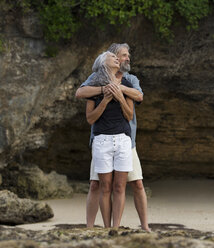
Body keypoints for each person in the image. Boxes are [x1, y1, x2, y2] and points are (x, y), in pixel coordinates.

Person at [75, 43, 150, 231]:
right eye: (123, 55)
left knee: (136, 183)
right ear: (112, 57)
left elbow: (138, 97)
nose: (127, 58)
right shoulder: (96, 77)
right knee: (96, 185)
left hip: (127, 139)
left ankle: (144, 225)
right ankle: (91, 228)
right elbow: (81, 93)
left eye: (126, 55)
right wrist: (104, 91)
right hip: (100, 138)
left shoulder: (130, 78)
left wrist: (118, 90)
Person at [86, 51, 133, 228]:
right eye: (112, 57)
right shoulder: (94, 85)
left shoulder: (126, 84)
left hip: (122, 139)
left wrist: (120, 97)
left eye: (117, 57)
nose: (116, 59)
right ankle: (107, 228)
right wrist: (105, 100)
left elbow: (129, 116)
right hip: (102, 140)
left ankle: (116, 228)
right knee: (105, 187)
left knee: (120, 187)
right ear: (102, 62)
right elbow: (90, 119)